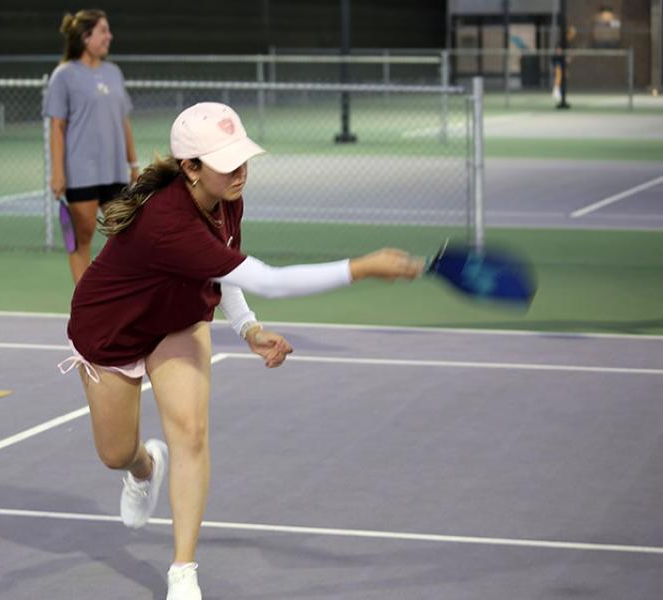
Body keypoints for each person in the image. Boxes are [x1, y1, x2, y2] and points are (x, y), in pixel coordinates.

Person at [57, 102, 423, 600]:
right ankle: (145, 467)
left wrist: (248, 328)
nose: (241, 170)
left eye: (242, 157)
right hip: (111, 330)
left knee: (190, 432)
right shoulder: (167, 221)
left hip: (177, 321)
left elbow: (224, 268)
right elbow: (268, 279)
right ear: (190, 167)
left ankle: (182, 570)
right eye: (226, 161)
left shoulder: (225, 197)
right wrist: (362, 267)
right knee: (116, 452)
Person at [43, 9, 139, 283]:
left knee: (124, 239)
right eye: (103, 31)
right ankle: (85, 309)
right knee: (81, 241)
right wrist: (58, 173)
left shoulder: (114, 72)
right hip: (81, 173)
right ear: (86, 37)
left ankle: (116, 303)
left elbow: (124, 121)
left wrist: (133, 165)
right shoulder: (63, 75)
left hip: (115, 173)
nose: (110, 36)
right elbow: (57, 127)